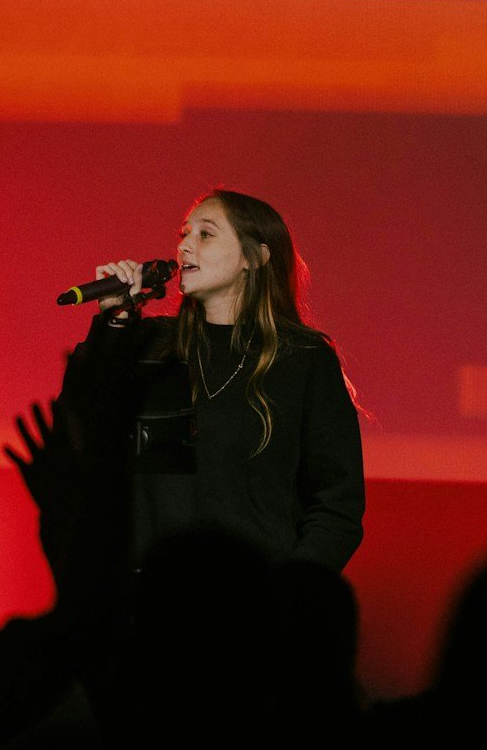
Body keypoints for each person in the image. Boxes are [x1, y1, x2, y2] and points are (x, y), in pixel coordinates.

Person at [60, 188, 365, 573]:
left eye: (205, 234)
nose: (185, 246)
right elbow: (77, 426)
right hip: (151, 603)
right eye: (183, 235)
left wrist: (291, 591)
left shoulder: (302, 359)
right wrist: (114, 323)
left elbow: (338, 503)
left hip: (257, 606)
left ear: (255, 257)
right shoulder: (151, 345)